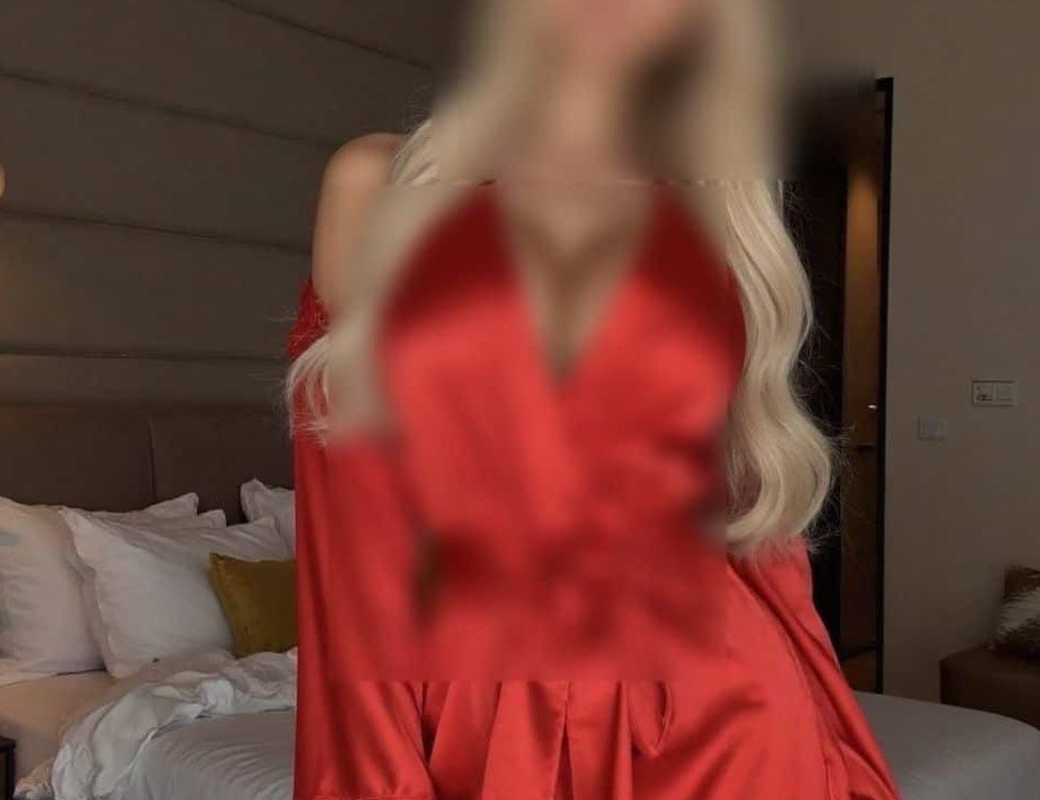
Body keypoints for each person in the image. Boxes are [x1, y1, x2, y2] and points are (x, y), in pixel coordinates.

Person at [287, 0, 900, 797]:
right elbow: (353, 520)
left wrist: (829, 726)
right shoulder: (378, 184)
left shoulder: (722, 220)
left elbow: (751, 528)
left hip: (727, 703)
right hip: (488, 708)